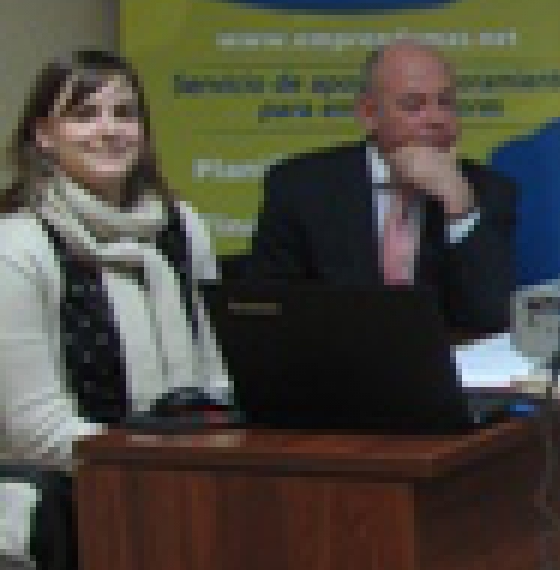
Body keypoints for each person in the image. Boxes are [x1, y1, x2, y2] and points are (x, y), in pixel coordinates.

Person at [0, 50, 227, 468]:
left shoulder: (182, 226)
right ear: (43, 135)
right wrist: (156, 461)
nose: (109, 130)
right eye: (85, 115)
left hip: (189, 478)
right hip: (68, 487)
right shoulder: (17, 244)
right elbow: (33, 430)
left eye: (124, 114)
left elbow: (216, 377)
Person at [242, 40, 518, 335]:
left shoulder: (488, 191)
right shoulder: (300, 188)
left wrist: (459, 207)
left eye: (445, 103)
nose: (437, 119)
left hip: (445, 360)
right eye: (414, 106)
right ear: (369, 114)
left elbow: (494, 318)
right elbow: (267, 313)